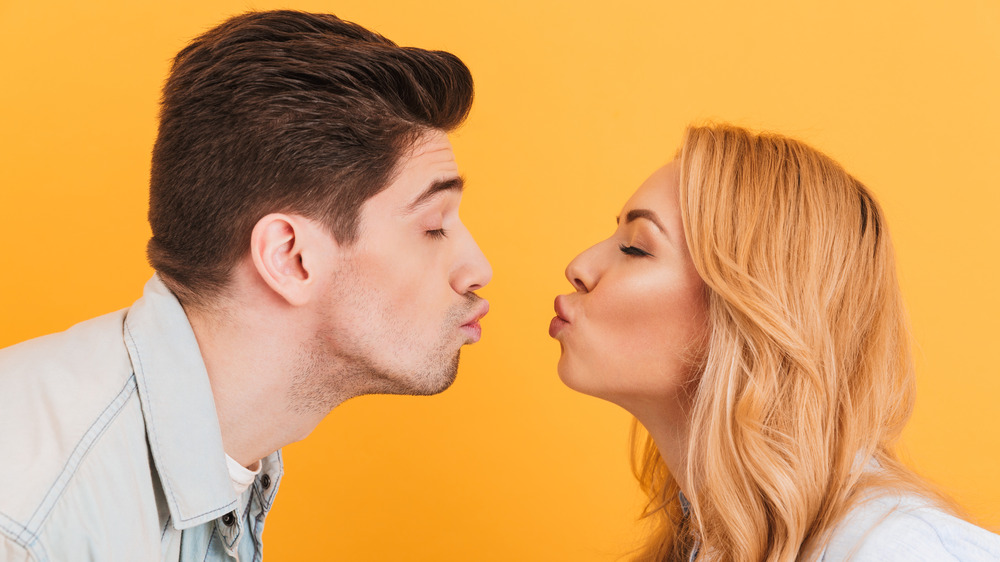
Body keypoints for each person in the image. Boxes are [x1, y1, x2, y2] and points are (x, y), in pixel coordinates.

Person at [0, 10, 491, 561]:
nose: (478, 268)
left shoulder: (228, 454)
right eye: (433, 226)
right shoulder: (30, 519)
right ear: (290, 257)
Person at [549, 123, 1000, 561]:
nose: (579, 267)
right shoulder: (707, 539)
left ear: (748, 310)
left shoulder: (891, 550)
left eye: (636, 248)